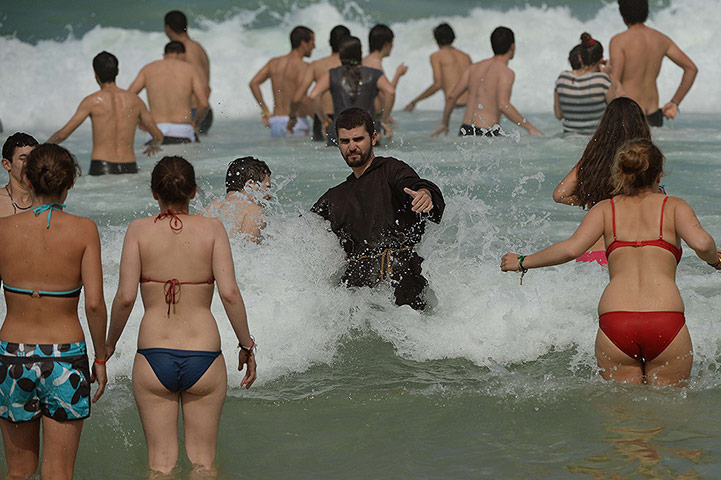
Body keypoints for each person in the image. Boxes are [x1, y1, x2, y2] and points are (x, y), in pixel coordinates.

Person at [502, 139, 721, 386]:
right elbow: (702, 244)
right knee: (667, 413)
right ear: (659, 176)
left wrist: (522, 261)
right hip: (664, 317)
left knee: (621, 416)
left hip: (616, 321)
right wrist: (716, 261)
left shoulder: (606, 209)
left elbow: (571, 249)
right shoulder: (674, 206)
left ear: (620, 175)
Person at [106, 156, 256, 475]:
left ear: (154, 192)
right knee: (203, 462)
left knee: (160, 466)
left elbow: (125, 298)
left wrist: (107, 346)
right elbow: (229, 294)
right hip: (204, 355)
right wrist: (246, 346)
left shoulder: (138, 231)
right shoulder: (213, 229)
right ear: (193, 191)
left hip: (152, 356)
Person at [0, 143, 107, 479]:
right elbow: (93, 303)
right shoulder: (84, 229)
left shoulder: (2, 230)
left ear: (28, 181)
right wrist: (101, 358)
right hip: (64, 358)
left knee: (18, 472)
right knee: (58, 473)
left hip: (12, 355)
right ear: (69, 184)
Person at [311, 108, 444, 311]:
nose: (352, 147)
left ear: (373, 138)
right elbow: (302, 231)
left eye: (358, 139)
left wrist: (425, 194)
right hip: (360, 303)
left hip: (405, 297)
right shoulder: (334, 198)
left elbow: (414, 184)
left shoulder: (391, 170)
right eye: (345, 141)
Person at [553, 97, 651, 266]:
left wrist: (591, 198)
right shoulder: (643, 159)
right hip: (626, 253)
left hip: (589, 255)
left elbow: (559, 195)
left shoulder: (594, 156)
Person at [48, 51, 164, 175]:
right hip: (129, 167)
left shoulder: (91, 101)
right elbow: (157, 136)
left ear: (95, 74)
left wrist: (40, 150)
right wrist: (154, 146)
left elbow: (63, 134)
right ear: (117, 71)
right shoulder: (135, 101)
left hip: (102, 167)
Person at [432, 27, 542, 137]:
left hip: (465, 130)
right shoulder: (506, 72)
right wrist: (530, 128)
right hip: (485, 133)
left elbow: (452, 96)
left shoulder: (474, 68)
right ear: (512, 46)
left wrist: (444, 123)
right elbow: (503, 105)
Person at [609, 0, 697, 127]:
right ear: (646, 12)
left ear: (622, 14)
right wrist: (674, 103)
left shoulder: (619, 41)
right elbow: (691, 69)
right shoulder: (661, 39)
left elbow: (615, 81)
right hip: (655, 115)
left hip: (630, 113)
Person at [299, 36, 395, 146]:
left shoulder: (332, 74)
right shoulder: (373, 74)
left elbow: (313, 95)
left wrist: (325, 121)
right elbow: (390, 92)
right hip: (366, 133)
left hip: (339, 134)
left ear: (341, 54)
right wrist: (384, 120)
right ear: (360, 52)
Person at [129, 41, 209, 144]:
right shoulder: (190, 70)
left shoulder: (148, 69)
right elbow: (204, 103)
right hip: (183, 131)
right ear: (184, 55)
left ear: (164, 55)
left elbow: (128, 97)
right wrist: (196, 123)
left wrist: (141, 121)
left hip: (155, 131)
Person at [249, 26, 315, 138]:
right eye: (313, 42)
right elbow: (302, 97)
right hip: (296, 123)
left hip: (275, 122)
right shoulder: (304, 67)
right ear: (304, 43)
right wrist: (319, 119)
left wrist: (265, 111)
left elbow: (253, 83)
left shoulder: (274, 63)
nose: (314, 46)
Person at [290, 25, 350, 141]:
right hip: (347, 119)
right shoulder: (355, 66)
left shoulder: (316, 65)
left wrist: (292, 117)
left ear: (329, 42)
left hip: (322, 120)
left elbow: (297, 98)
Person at [554, 33, 615, 135]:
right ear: (601, 60)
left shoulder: (562, 79)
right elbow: (616, 114)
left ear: (580, 58)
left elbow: (558, 115)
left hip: (567, 139)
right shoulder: (602, 81)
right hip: (595, 142)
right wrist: (610, 77)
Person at [403, 23, 472, 112]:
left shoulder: (436, 56)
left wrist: (414, 101)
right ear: (453, 37)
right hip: (472, 106)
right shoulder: (466, 56)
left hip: (455, 107)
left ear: (436, 40)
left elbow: (438, 84)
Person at [164, 10, 213, 135]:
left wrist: (196, 119)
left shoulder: (188, 50)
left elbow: (204, 87)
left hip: (195, 112)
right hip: (197, 112)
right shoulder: (195, 46)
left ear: (168, 28)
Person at [206, 156, 272, 243]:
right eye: (267, 188)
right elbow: (249, 251)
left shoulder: (210, 207)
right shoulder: (254, 211)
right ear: (250, 185)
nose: (269, 195)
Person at [362, 24, 407, 125]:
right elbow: (387, 94)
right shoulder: (376, 65)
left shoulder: (365, 60)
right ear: (386, 45)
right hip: (374, 115)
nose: (392, 47)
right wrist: (398, 75)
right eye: (392, 43)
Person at [0, 132, 37, 217]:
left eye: (35, 157)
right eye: (23, 159)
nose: (30, 163)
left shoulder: (48, 200)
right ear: (7, 164)